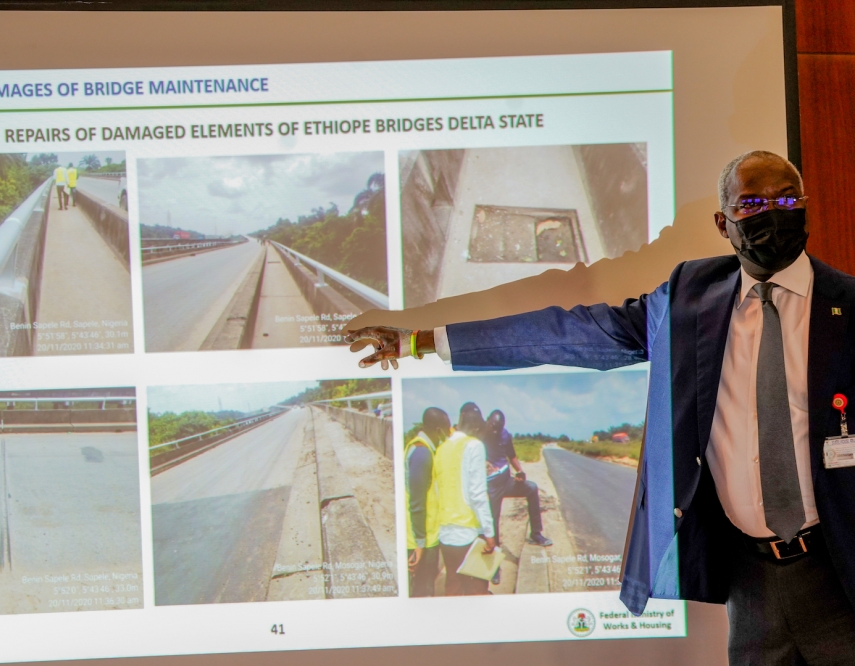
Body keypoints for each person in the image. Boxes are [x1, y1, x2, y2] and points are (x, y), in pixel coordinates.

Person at [346, 151, 855, 664]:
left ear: (806, 209)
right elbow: (565, 334)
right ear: (723, 224)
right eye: (752, 205)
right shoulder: (688, 299)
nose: (773, 212)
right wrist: (422, 341)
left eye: (788, 198)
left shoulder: (849, 306)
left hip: (842, 572)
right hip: (751, 586)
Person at [434, 402, 496, 596]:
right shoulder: (474, 445)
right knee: (476, 588)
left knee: (453, 583)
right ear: (477, 427)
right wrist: (489, 533)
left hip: (445, 533)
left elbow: (439, 489)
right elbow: (478, 494)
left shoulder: (441, 448)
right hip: (467, 534)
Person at [482, 410, 552, 554]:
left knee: (531, 488)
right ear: (487, 420)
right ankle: (493, 550)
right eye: (493, 426)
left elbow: (511, 456)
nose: (495, 431)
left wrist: (520, 471)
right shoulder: (479, 434)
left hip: (506, 482)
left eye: (498, 428)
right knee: (493, 517)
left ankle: (536, 533)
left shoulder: (505, 435)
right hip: (491, 485)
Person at [405, 407, 449, 597]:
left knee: (423, 588)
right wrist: (420, 545)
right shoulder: (422, 453)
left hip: (425, 535)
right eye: (447, 430)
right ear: (438, 430)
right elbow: (417, 502)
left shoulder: (423, 449)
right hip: (421, 539)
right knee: (423, 591)